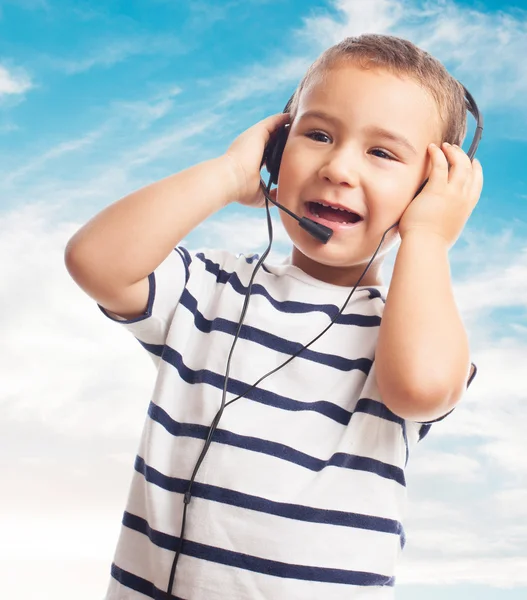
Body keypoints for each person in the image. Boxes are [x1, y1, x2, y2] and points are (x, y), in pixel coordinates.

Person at [65, 34, 483, 600]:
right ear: (276, 149)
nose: (337, 167)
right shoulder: (209, 288)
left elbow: (422, 387)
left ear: (430, 188)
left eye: (382, 153)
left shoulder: (408, 330)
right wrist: (230, 174)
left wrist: (429, 236)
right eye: (316, 135)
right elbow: (95, 262)